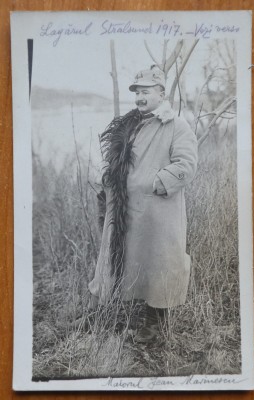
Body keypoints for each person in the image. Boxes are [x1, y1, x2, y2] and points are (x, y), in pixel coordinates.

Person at [88, 66, 198, 342]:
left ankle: (154, 326)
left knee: (159, 263)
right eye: (137, 92)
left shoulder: (176, 125)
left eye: (145, 91)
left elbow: (186, 165)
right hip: (124, 209)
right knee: (123, 259)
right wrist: (108, 177)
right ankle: (111, 313)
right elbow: (116, 159)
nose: (139, 97)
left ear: (161, 93)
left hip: (156, 212)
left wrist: (154, 183)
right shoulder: (128, 124)